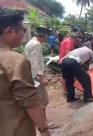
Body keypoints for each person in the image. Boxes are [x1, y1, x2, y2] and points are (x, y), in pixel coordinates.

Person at [0, 8, 50, 136]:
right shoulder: (15, 60)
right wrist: (44, 130)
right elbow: (30, 102)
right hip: (15, 129)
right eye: (24, 30)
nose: (24, 34)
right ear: (10, 30)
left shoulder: (28, 45)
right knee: (41, 100)